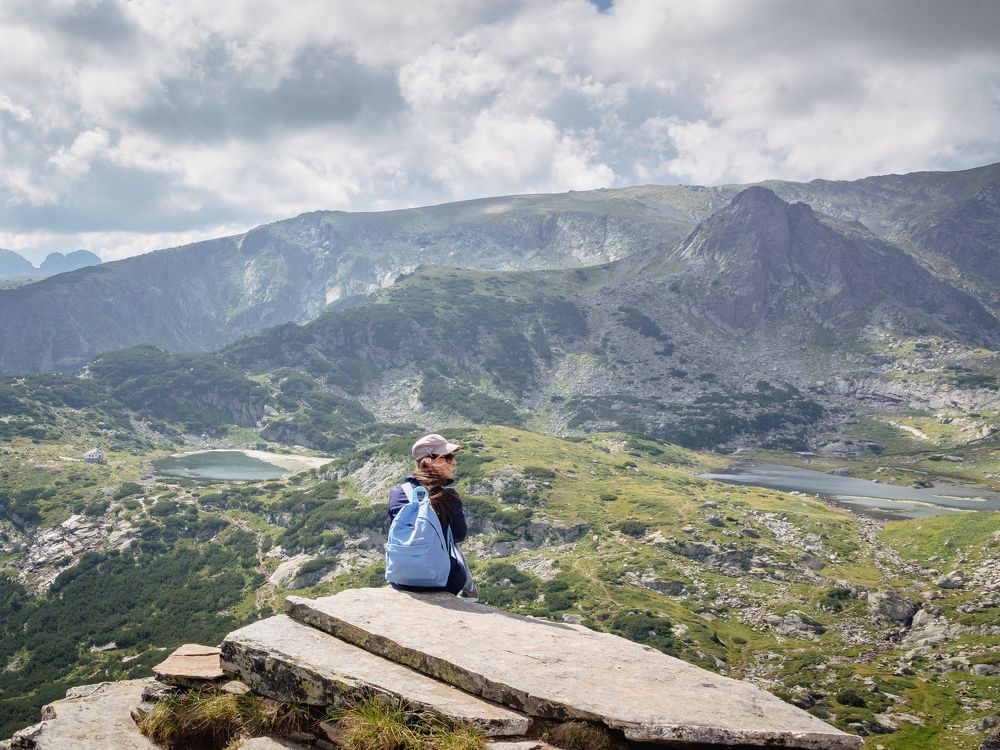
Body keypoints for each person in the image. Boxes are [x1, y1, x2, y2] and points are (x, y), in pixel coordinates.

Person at [387, 433, 469, 595]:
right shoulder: (449, 496)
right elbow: (459, 535)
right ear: (430, 460)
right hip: (443, 582)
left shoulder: (398, 493)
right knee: (460, 566)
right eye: (448, 457)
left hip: (400, 579)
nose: (454, 462)